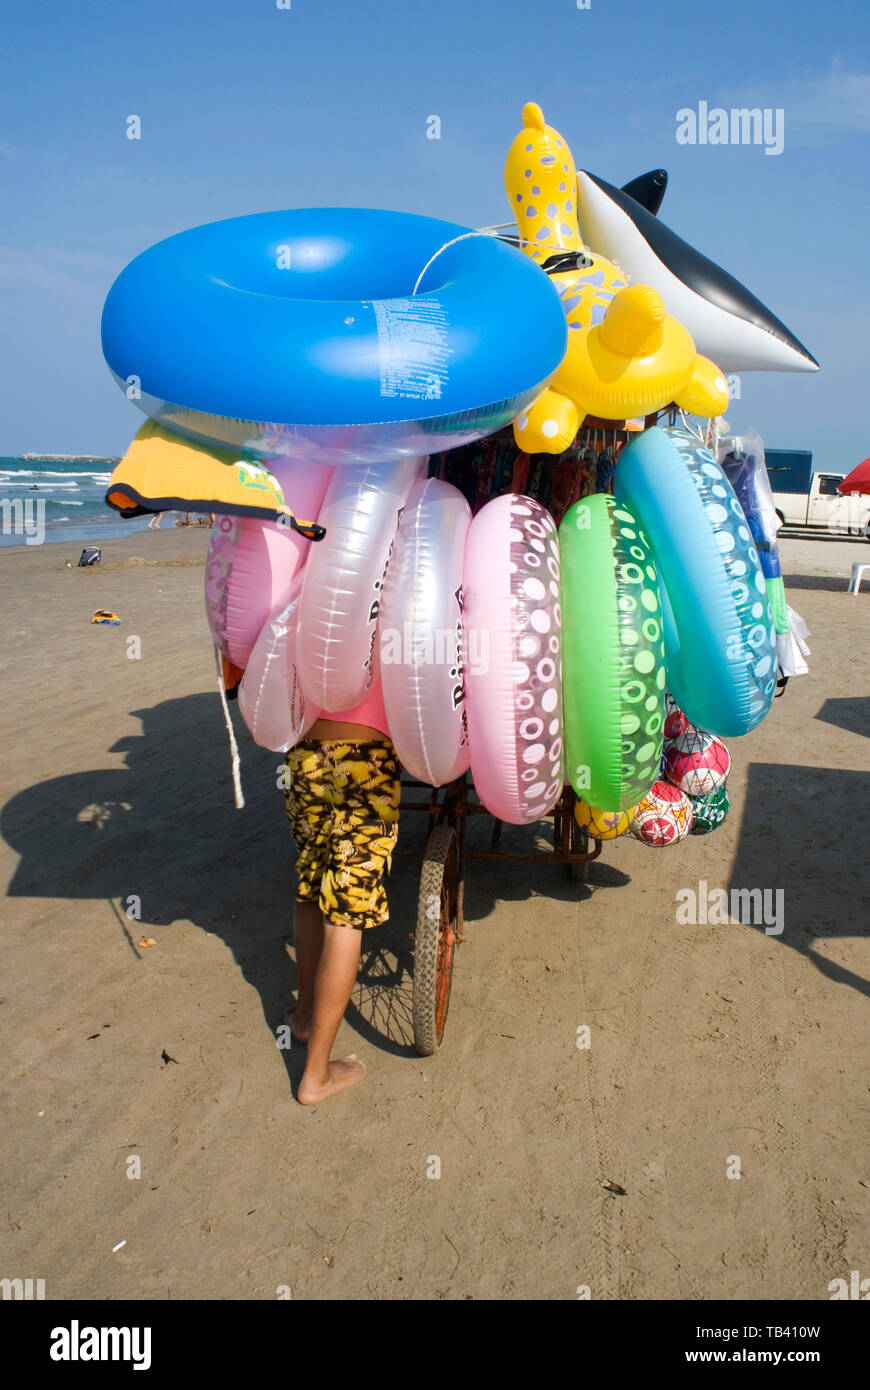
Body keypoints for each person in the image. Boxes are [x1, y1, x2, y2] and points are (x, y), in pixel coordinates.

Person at [281, 671, 400, 1104]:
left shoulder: (311, 600)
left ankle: (304, 1017)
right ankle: (316, 1076)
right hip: (366, 757)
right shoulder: (406, 603)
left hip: (305, 751)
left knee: (311, 884)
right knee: (347, 913)